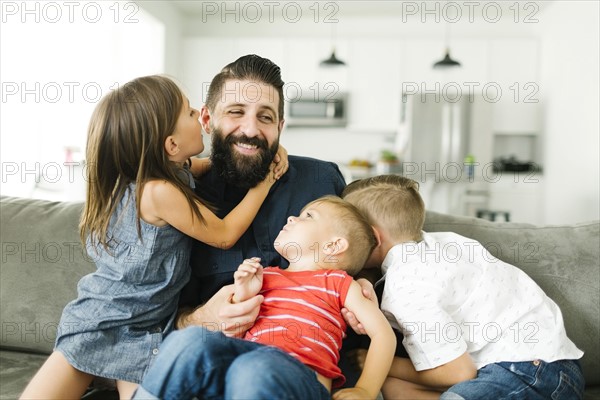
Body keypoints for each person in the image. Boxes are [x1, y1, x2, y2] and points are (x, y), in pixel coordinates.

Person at [20, 75, 288, 400]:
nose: (199, 116)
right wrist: (264, 183)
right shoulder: (158, 192)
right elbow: (223, 235)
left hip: (145, 328)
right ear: (171, 145)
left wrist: (252, 149)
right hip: (103, 320)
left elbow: (202, 167)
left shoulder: (171, 171)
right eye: (190, 113)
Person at [342, 174, 586, 400]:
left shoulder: (408, 287)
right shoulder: (444, 243)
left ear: (373, 237)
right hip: (554, 366)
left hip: (527, 372)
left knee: (402, 377)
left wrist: (382, 362)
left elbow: (458, 373)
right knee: (394, 386)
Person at [133, 195, 396, 399]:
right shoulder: (266, 276)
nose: (292, 217)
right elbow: (232, 332)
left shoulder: (339, 284)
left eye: (308, 215)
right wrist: (243, 294)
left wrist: (365, 391)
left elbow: (383, 335)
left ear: (333, 245)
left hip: (298, 379)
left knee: (254, 366)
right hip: (240, 373)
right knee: (189, 341)